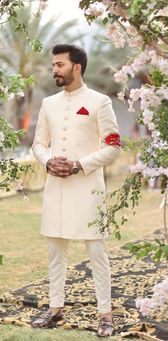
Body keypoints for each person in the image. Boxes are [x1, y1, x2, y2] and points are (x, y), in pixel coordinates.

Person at [31, 44, 121, 337]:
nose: (54, 69)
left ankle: (105, 314)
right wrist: (47, 163)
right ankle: (55, 309)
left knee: (97, 252)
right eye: (54, 65)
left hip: (87, 189)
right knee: (55, 252)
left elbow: (113, 146)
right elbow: (38, 144)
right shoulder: (48, 104)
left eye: (59, 64)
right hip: (55, 187)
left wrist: (78, 165)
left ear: (77, 67)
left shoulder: (99, 102)